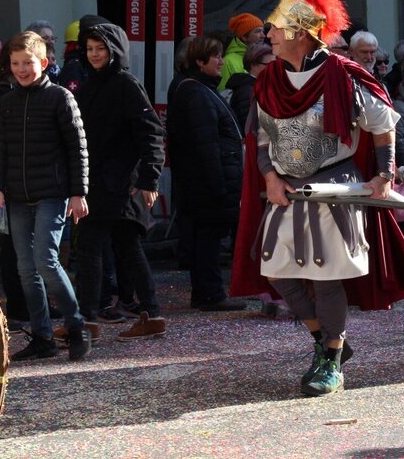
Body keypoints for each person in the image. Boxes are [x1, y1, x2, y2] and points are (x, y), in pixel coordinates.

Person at [229, 0, 404, 397]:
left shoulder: (343, 75)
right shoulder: (269, 79)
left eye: (276, 29)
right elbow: (261, 138)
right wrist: (269, 177)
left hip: (334, 186)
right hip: (286, 189)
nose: (269, 35)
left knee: (324, 276)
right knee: (278, 272)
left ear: (301, 34)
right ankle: (326, 340)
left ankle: (331, 360)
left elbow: (382, 125)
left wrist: (383, 173)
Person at [0, 31, 91, 361]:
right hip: (18, 196)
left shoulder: (60, 97)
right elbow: (2, 150)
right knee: (25, 268)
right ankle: (43, 336)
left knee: (46, 261)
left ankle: (76, 327)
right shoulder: (7, 102)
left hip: (53, 193)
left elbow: (77, 148)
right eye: (15, 63)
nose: (21, 69)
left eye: (27, 63)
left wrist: (78, 193)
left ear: (44, 63)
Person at [74, 22, 167, 341]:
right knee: (118, 247)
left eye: (100, 48)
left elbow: (151, 132)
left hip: (122, 182)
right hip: (101, 181)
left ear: (114, 50)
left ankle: (88, 319)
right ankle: (148, 313)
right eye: (90, 49)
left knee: (100, 246)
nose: (94, 54)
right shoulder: (90, 85)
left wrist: (149, 179)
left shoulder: (125, 83)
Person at [167, 36, 246, 311]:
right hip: (208, 182)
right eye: (216, 57)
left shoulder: (196, 89)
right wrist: (218, 185)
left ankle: (206, 293)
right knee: (208, 238)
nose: (221, 61)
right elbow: (206, 144)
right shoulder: (197, 92)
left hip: (202, 180)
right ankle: (211, 294)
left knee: (205, 236)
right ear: (200, 62)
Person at [227, 42, 274, 127]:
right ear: (253, 65)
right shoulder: (247, 92)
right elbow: (250, 127)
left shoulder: (261, 87)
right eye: (269, 65)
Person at [219, 12, 264, 91]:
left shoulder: (263, 57)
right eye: (257, 31)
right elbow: (223, 94)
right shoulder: (228, 61)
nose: (263, 35)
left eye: (262, 31)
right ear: (244, 37)